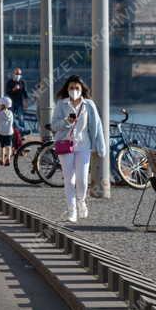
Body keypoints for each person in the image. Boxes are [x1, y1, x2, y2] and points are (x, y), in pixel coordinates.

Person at [51, 75, 107, 223]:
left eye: (77, 88)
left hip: (83, 146)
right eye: (71, 88)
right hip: (65, 145)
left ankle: (81, 201)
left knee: (82, 179)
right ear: (67, 89)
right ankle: (71, 210)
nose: (74, 90)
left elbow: (97, 126)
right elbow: (54, 126)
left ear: (82, 89)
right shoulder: (61, 104)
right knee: (69, 180)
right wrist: (66, 121)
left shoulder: (89, 105)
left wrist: (100, 146)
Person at [0, 96, 15, 166]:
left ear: (3, 105)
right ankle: (8, 158)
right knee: (9, 146)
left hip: (1, 133)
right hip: (9, 132)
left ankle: (2, 159)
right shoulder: (11, 113)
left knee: (2, 146)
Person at [6, 67, 28, 133]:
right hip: (11, 102)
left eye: (19, 74)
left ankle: (23, 132)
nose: (18, 75)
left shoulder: (22, 82)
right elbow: (7, 92)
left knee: (21, 117)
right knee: (11, 117)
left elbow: (25, 92)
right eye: (17, 73)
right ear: (14, 74)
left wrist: (26, 102)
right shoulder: (9, 82)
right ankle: (11, 131)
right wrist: (13, 89)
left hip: (19, 102)